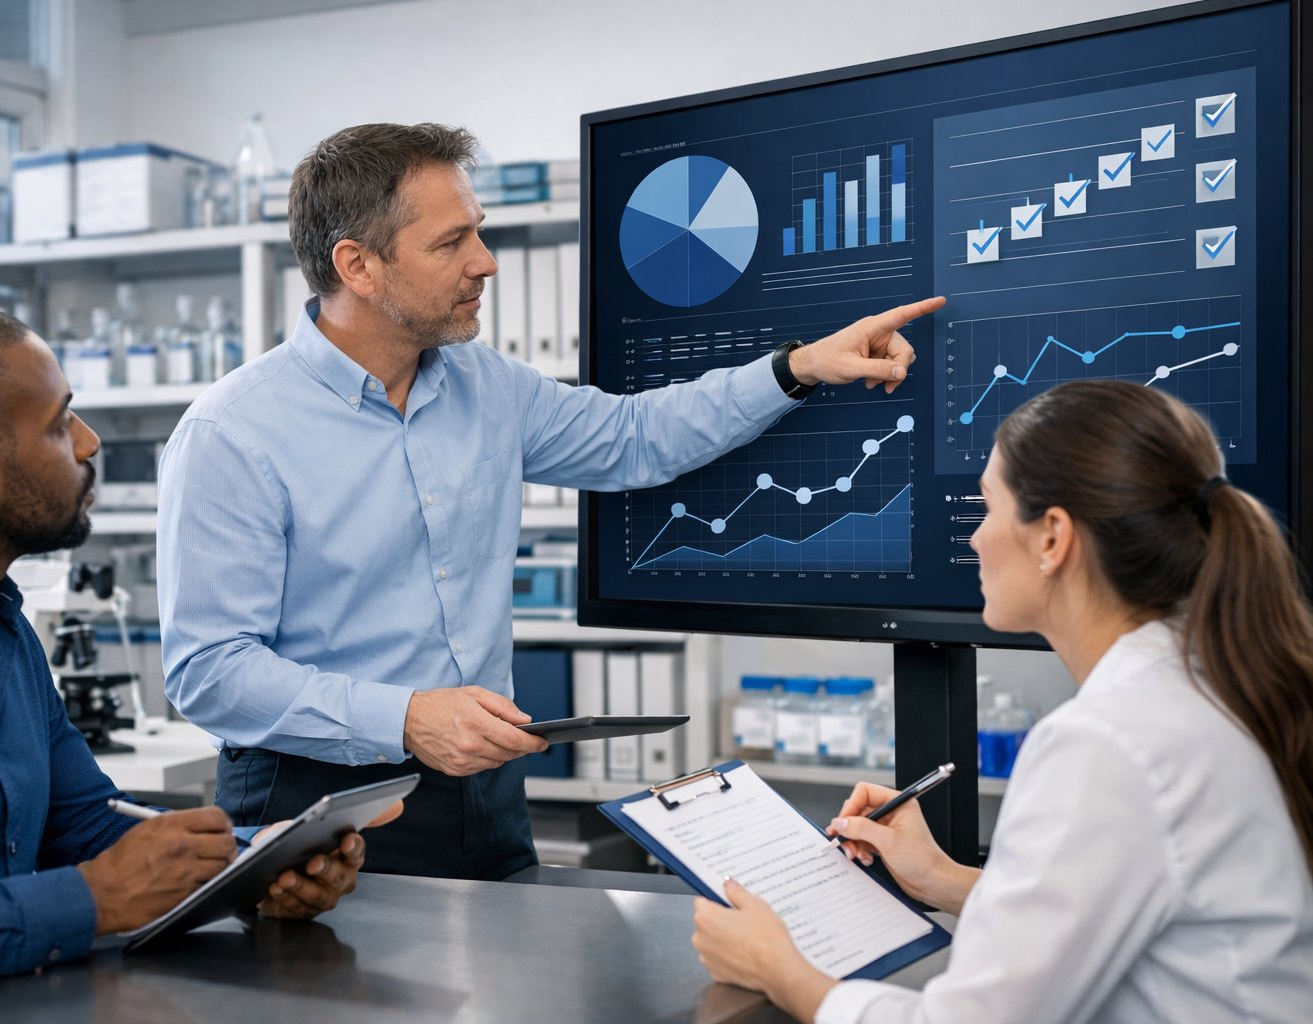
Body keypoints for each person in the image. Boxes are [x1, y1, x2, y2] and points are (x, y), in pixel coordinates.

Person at [158, 120, 944, 880]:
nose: (487, 262)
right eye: (450, 242)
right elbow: (209, 671)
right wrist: (403, 718)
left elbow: (637, 438)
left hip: (486, 792)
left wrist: (799, 365)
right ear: (357, 267)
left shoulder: (485, 385)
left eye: (479, 230)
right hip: (323, 806)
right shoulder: (234, 433)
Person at [0, 306, 397, 1014]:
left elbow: (83, 826)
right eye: (57, 423)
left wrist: (256, 861)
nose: (88, 441)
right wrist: (93, 901)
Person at [691, 379, 1313, 1023]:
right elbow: (1113, 907)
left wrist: (779, 969)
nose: (974, 538)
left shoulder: (1109, 745)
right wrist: (940, 877)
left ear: (1052, 538)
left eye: (988, 507)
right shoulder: (1210, 684)